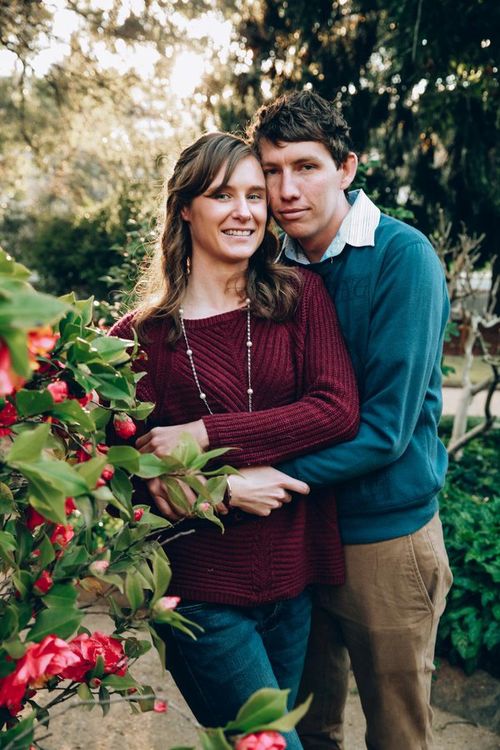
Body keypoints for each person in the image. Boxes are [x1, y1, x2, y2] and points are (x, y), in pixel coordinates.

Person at [152, 93, 453, 749]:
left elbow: (382, 429)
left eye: (307, 167)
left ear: (346, 168)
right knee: (308, 729)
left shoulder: (403, 259)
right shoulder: (274, 270)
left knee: (398, 731)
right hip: (299, 543)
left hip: (383, 538)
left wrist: (238, 477)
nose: (287, 190)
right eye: (273, 172)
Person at [109, 131, 359, 745]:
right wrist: (220, 488)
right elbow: (116, 472)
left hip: (292, 583)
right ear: (185, 208)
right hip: (200, 595)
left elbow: (335, 410)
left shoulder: (297, 298)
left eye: (254, 194)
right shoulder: (139, 339)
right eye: (223, 195)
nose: (246, 211)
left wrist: (205, 438)